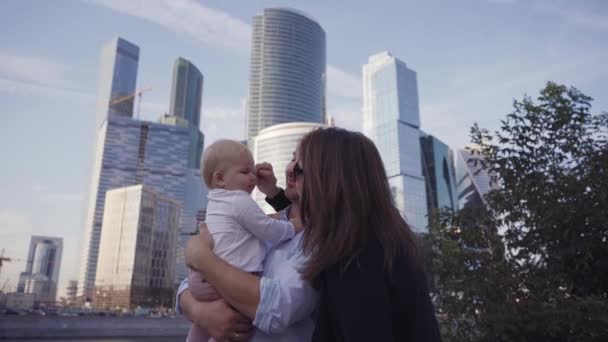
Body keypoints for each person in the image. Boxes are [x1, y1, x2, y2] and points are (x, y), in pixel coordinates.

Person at [296, 127, 442, 341]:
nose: (293, 179)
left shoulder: (355, 259)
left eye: (299, 171)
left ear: (326, 180)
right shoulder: (384, 241)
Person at [178, 154, 315, 341]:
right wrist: (200, 311)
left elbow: (277, 308)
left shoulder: (322, 237)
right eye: (292, 158)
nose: (291, 168)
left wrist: (203, 259)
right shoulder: (257, 222)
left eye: (301, 166)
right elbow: (188, 285)